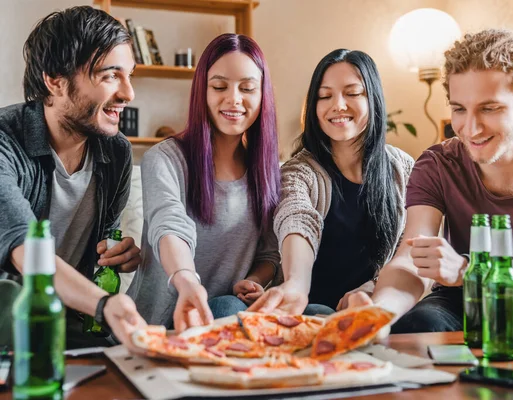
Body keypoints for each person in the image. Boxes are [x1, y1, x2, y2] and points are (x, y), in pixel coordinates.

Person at [348, 29, 513, 339]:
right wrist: (379, 312)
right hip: (463, 297)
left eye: (489, 108)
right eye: (459, 109)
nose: (471, 128)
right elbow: (412, 258)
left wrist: (469, 271)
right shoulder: (438, 164)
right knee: (417, 327)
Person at [0, 6, 146, 349]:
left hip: (70, 317)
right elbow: (25, 249)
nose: (128, 93)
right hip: (9, 318)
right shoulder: (6, 143)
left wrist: (116, 255)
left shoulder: (116, 153)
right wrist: (104, 305)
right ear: (55, 80)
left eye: (130, 75)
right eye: (111, 75)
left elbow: (102, 249)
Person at [127, 33, 281, 331]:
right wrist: (187, 280)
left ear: (263, 95)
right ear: (202, 91)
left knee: (233, 306)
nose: (234, 99)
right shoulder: (165, 159)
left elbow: (268, 253)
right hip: (160, 327)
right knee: (227, 307)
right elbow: (169, 224)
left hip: (224, 320)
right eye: (219, 86)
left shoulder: (268, 171)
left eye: (247, 88)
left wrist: (255, 280)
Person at [249, 49, 414, 316]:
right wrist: (296, 284)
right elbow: (297, 220)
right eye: (325, 96)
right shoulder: (298, 172)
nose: (338, 105)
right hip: (307, 310)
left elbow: (411, 249)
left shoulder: (402, 168)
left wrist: (373, 288)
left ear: (373, 97)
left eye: (352, 93)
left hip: (376, 306)